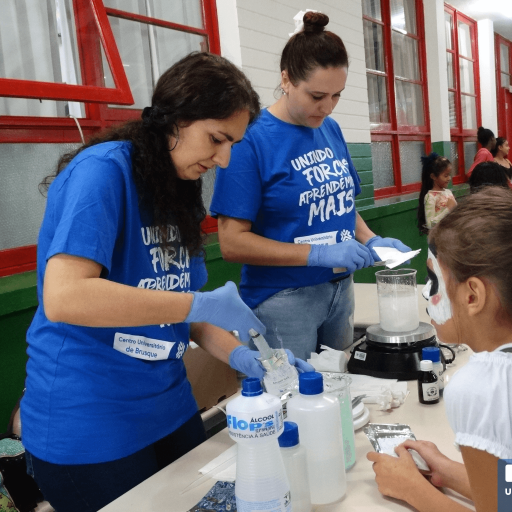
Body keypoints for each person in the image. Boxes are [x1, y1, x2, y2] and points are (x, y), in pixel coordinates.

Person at [20, 52, 312, 512]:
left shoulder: (176, 186)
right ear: (175, 119)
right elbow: (64, 297)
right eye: (217, 139)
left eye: (233, 143)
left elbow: (188, 312)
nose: (224, 158)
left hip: (169, 408)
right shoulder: (102, 172)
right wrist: (195, 306)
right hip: (91, 424)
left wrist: (248, 357)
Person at [209, 11, 411, 361]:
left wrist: (370, 238)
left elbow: (342, 205)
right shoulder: (250, 139)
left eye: (336, 96)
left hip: (338, 291)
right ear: (286, 79)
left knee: (342, 391)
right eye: (317, 95)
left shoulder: (329, 130)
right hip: (283, 299)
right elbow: (231, 242)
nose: (327, 107)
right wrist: (316, 255)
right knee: (291, 400)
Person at [367, 186, 512, 512]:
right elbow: (507, 493)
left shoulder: (482, 390)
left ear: (472, 296)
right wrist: (450, 473)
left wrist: (412, 489)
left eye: (433, 280)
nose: (424, 295)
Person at [417, 153, 456, 234]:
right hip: (438, 240)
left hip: (452, 236)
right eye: (445, 175)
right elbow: (430, 225)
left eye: (449, 175)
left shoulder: (448, 192)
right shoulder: (430, 196)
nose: (449, 178)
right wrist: (448, 210)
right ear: (433, 176)